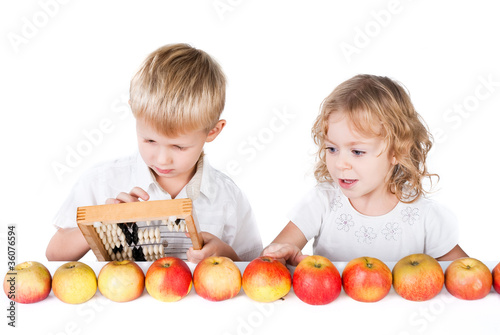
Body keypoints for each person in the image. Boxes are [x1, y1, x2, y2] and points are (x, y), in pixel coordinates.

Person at [46, 43, 262, 263]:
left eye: (179, 147)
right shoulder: (102, 182)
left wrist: (225, 253)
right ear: (134, 113)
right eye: (150, 140)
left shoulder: (228, 199)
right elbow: (54, 255)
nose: (161, 159)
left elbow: (252, 266)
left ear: (213, 131)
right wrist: (102, 220)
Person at [262, 74, 467, 265]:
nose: (340, 163)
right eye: (332, 149)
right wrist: (285, 256)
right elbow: (270, 258)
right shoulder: (322, 201)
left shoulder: (424, 216)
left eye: (357, 152)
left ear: (397, 151)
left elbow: (467, 275)